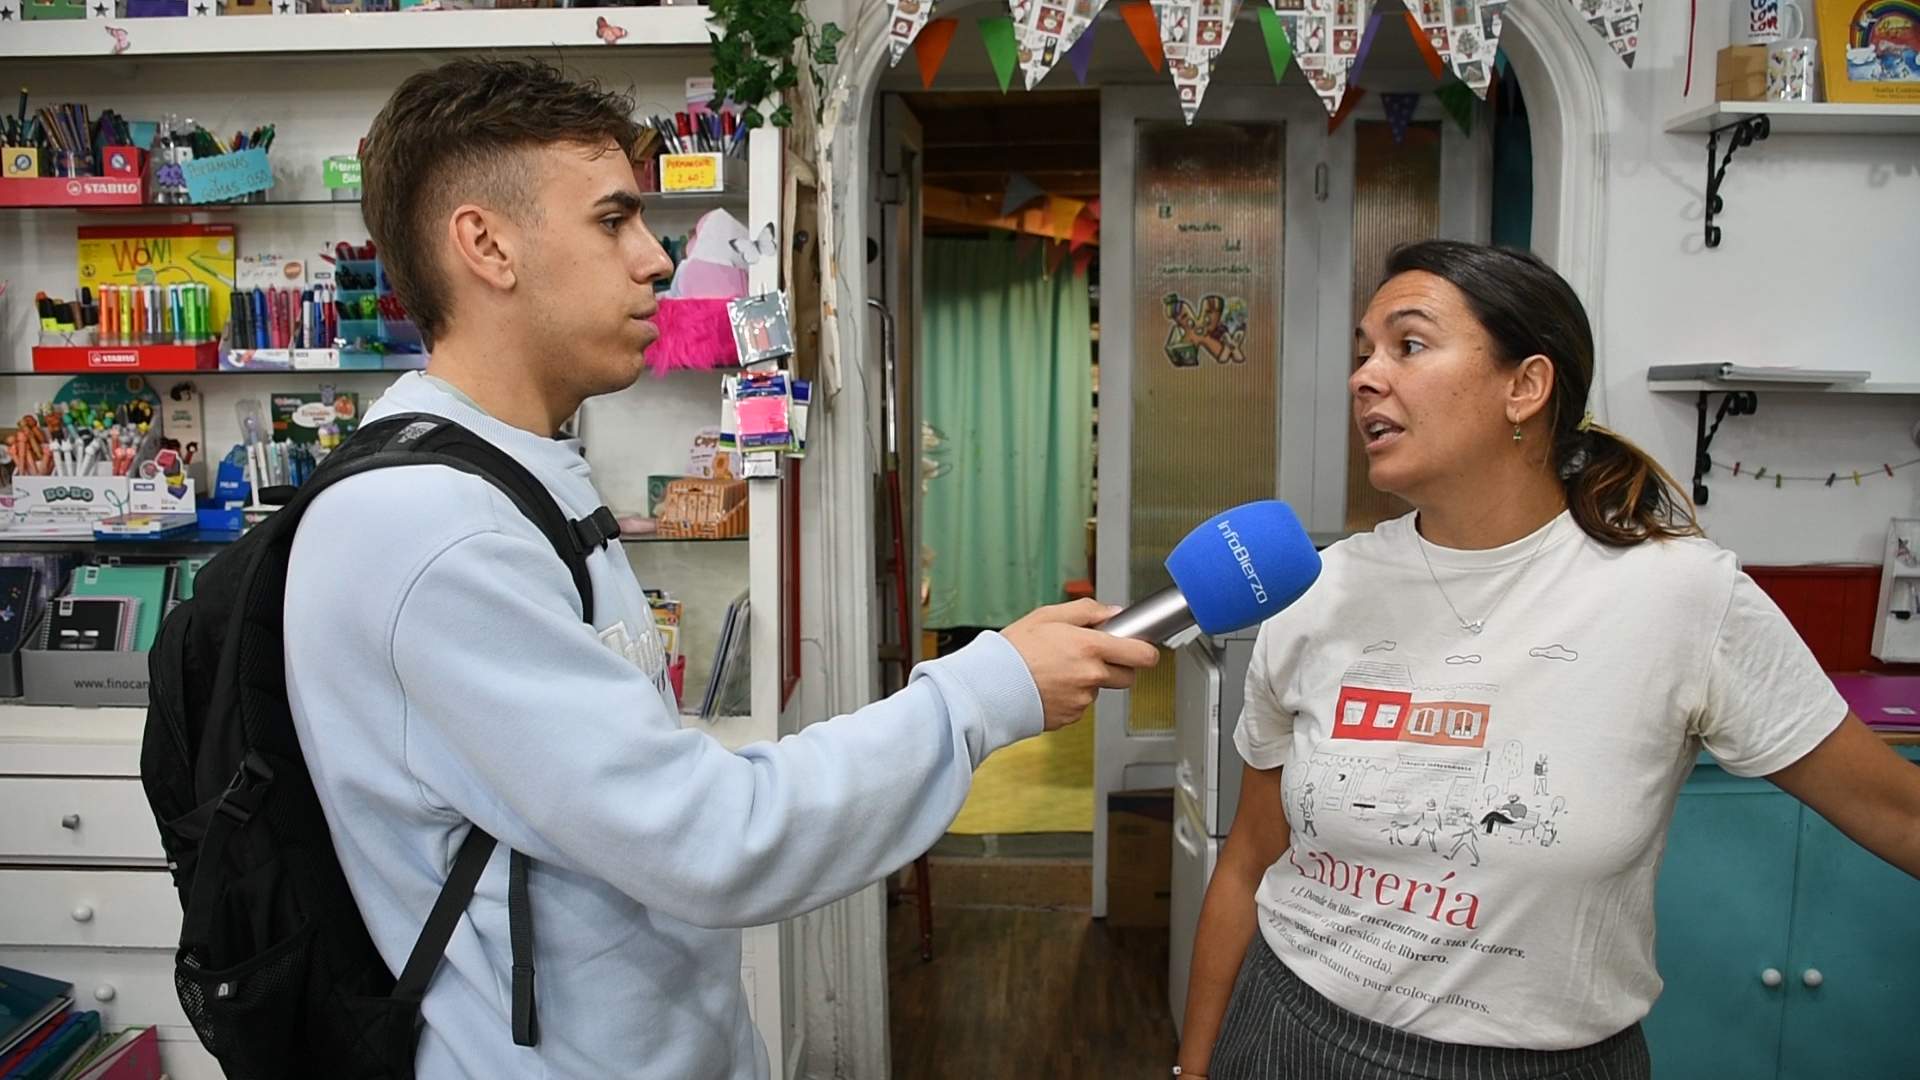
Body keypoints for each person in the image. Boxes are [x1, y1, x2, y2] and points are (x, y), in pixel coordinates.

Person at [281, 58, 1158, 1079]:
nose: (656, 260)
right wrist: (985, 690)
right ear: (486, 244)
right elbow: (710, 837)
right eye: (613, 220)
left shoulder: (517, 472)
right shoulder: (434, 531)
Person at [1174, 240, 1920, 1080]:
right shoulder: (1318, 593)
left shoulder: (1680, 598)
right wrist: (1194, 1066)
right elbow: (1248, 860)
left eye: (1407, 345)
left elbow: (1902, 814)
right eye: (1363, 353)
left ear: (1525, 386)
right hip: (1287, 1037)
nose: (1364, 377)